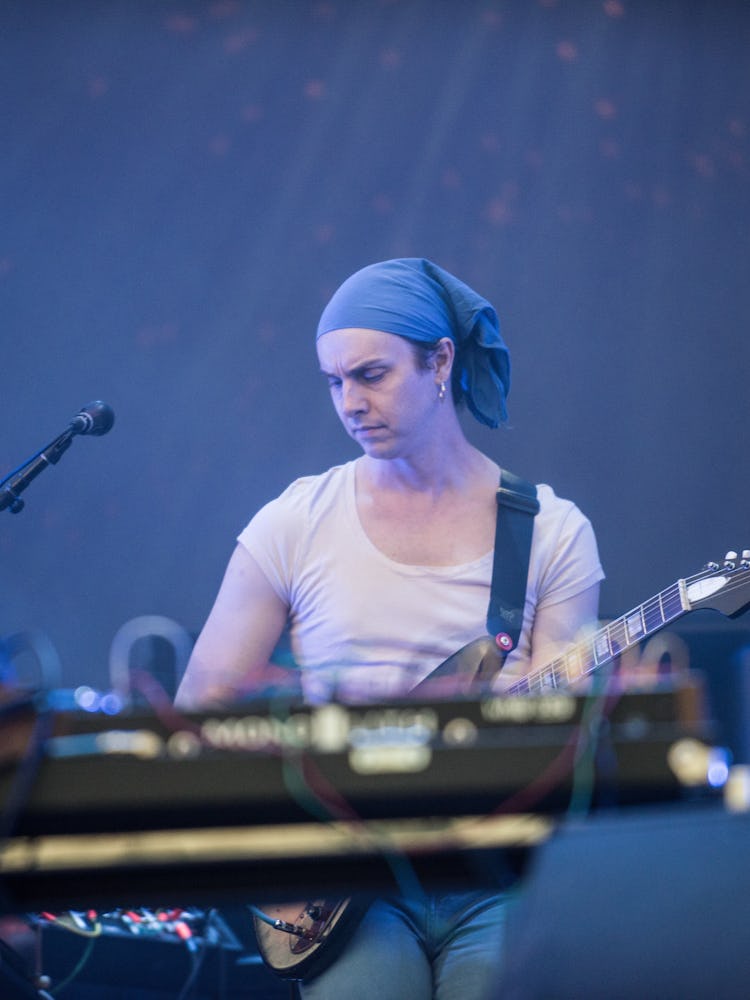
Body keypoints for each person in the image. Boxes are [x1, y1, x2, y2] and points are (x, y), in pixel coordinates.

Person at [176, 258, 604, 998]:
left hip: (497, 875)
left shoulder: (553, 532)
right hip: (345, 882)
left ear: (440, 360)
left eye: (371, 375)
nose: (350, 402)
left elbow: (571, 746)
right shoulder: (293, 522)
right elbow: (198, 715)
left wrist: (531, 717)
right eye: (335, 382)